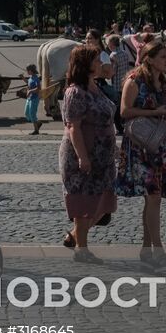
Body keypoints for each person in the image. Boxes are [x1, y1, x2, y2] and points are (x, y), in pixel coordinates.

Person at [117, 39, 166, 269]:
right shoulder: (134, 80)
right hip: (139, 146)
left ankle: (146, 250)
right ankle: (158, 251)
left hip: (158, 144)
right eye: (163, 57)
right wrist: (155, 110)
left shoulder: (162, 82)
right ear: (150, 59)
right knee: (153, 198)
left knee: (153, 200)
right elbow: (124, 111)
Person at [58, 46, 117, 264]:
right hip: (83, 155)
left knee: (102, 204)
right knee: (83, 204)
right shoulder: (75, 92)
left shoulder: (95, 86)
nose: (100, 63)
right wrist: (83, 157)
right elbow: (73, 127)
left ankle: (74, 236)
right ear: (86, 65)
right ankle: (81, 249)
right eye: (96, 60)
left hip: (103, 156)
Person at [22, 64, 42, 135]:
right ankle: (38, 122)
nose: (27, 71)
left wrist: (30, 91)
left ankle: (36, 130)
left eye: (27, 70)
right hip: (29, 98)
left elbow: (39, 88)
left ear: (31, 71)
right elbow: (29, 83)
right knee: (27, 113)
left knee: (32, 114)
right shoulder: (31, 78)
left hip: (34, 98)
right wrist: (23, 78)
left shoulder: (36, 78)